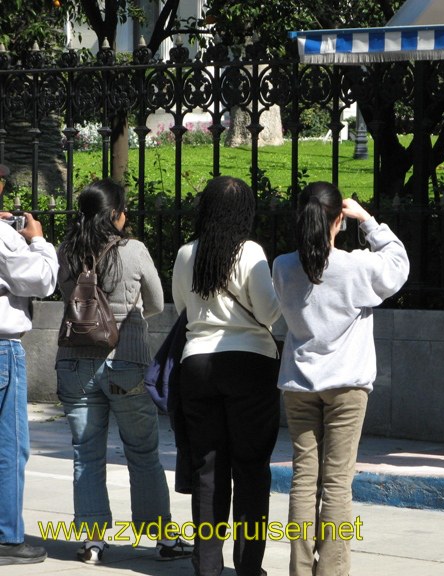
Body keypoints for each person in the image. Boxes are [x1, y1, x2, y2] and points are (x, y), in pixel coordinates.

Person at [273, 181, 409, 576]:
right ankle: (331, 570)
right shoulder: (356, 267)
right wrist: (368, 220)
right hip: (347, 386)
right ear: (337, 220)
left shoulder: (282, 266)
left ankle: (299, 569)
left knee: (303, 478)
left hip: (299, 384)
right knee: (336, 483)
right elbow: (398, 265)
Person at [55, 179, 191, 563]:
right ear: (114, 215)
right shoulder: (134, 251)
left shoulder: (67, 250)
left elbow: (68, 297)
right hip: (125, 361)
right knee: (143, 451)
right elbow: (155, 302)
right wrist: (124, 320)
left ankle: (92, 542)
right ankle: (162, 539)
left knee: (86, 453)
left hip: (74, 362)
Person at [172, 176, 281, 576]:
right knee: (251, 468)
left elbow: (182, 307)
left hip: (197, 364)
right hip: (251, 364)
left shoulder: (186, 253)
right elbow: (269, 313)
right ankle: (249, 566)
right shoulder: (250, 252)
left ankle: (207, 567)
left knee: (207, 467)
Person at [0, 163, 56, 566]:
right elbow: (41, 279)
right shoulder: (5, 237)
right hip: (2, 348)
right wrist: (37, 241)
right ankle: (6, 536)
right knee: (9, 446)